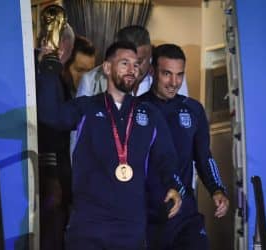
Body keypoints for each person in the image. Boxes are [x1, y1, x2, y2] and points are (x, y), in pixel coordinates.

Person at [36, 41, 183, 250]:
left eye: (136, 64)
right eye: (124, 63)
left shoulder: (149, 114)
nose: (132, 70)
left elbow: (167, 157)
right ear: (107, 68)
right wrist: (49, 70)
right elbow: (50, 115)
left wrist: (173, 185)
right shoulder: (87, 107)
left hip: (130, 228)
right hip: (88, 226)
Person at [140, 44, 229, 250]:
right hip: (148, 214)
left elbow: (204, 156)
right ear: (152, 71)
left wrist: (217, 189)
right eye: (167, 74)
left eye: (179, 75)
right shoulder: (136, 109)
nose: (174, 82)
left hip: (185, 214)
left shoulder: (193, 109)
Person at [35, 5, 75, 250]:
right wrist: (51, 175)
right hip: (47, 166)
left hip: (56, 167)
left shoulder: (56, 75)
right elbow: (48, 123)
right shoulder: (44, 72)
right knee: (49, 227)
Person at [76, 25, 189, 98]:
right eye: (125, 62)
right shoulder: (91, 80)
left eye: (139, 62)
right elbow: (78, 131)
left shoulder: (170, 78)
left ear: (150, 50)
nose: (133, 69)